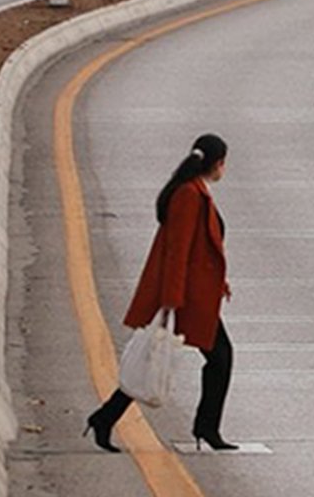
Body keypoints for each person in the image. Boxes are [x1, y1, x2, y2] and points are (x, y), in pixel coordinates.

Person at [85, 134, 238, 453]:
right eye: (223, 162)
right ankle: (206, 427)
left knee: (154, 359)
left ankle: (105, 418)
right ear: (215, 163)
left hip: (192, 295)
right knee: (217, 358)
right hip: (184, 298)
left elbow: (200, 248)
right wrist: (171, 300)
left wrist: (219, 283)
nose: (224, 168)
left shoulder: (195, 191)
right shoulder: (188, 195)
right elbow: (177, 251)